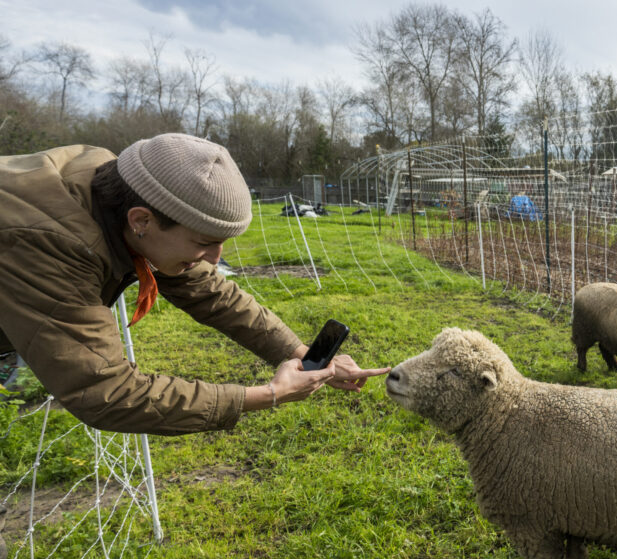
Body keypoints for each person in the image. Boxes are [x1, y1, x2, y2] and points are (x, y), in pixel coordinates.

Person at [0, 133, 390, 436]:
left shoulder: (123, 186)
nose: (217, 259)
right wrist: (268, 395)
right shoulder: (50, 241)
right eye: (204, 243)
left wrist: (302, 355)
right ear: (141, 221)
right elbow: (107, 393)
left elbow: (211, 293)